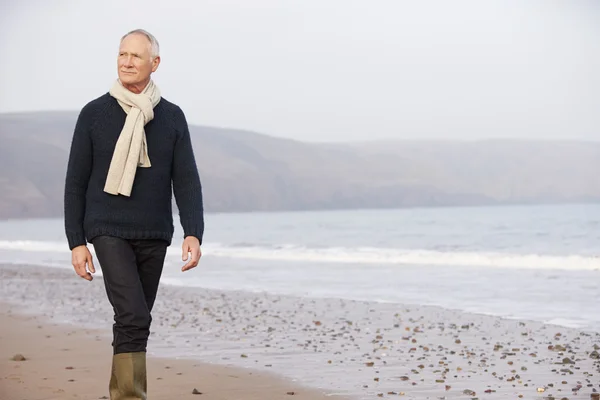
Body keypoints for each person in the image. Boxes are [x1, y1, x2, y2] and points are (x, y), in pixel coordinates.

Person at [63, 28, 204, 400]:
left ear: (154, 63)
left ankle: (123, 393)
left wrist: (194, 232)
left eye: (136, 56)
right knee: (134, 316)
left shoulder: (172, 117)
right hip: (107, 229)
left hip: (154, 233)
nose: (126, 61)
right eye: (122, 54)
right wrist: (77, 242)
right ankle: (130, 396)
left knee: (133, 321)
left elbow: (186, 179)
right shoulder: (94, 114)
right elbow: (75, 183)